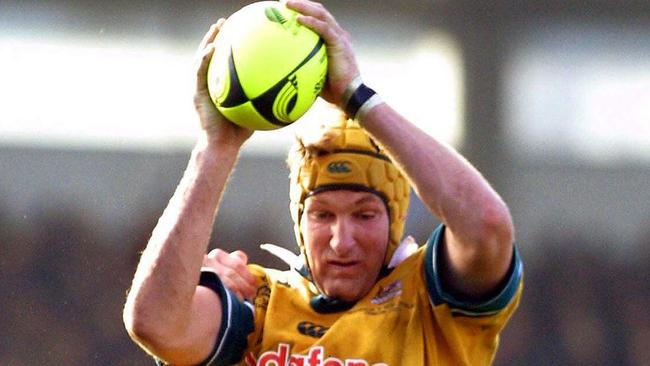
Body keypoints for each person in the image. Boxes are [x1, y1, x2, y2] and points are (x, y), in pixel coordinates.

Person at [122, 1, 523, 365]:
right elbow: (155, 325)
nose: (340, 240)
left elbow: (486, 224)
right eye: (322, 215)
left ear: (395, 219)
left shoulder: (432, 303)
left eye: (364, 215)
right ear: (298, 220)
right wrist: (216, 146)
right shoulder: (257, 302)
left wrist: (357, 98)